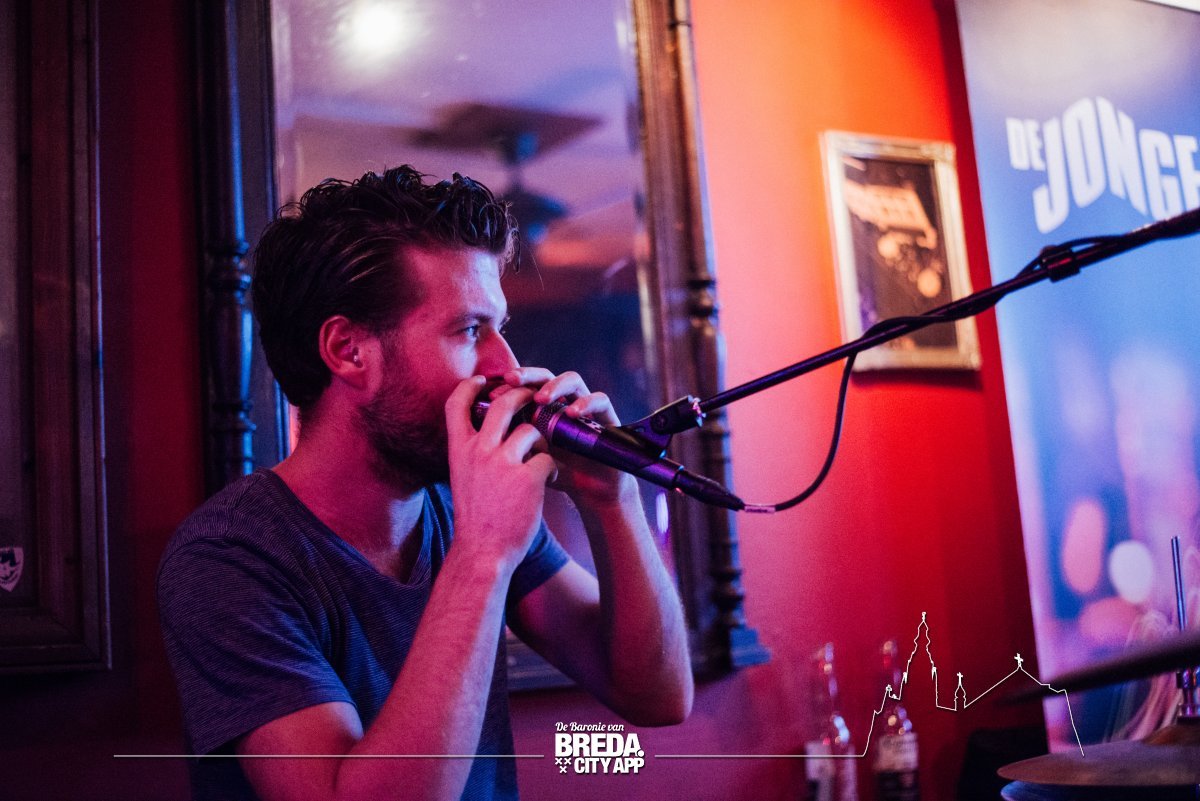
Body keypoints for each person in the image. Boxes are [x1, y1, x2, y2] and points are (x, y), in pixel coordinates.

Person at [157, 165, 693, 801]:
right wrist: (483, 554)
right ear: (349, 351)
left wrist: (613, 498)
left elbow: (657, 696)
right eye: (469, 330)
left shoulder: (456, 506)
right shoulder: (228, 557)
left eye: (499, 329)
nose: (507, 366)